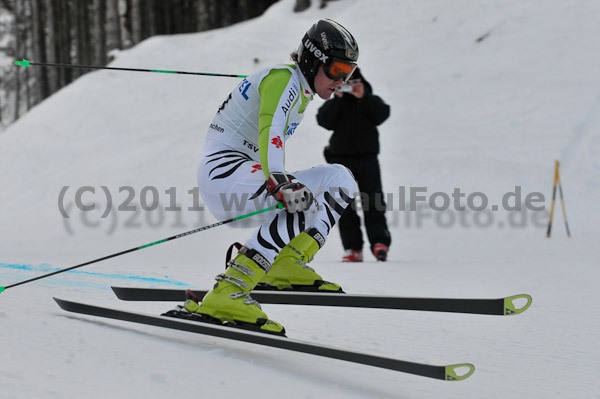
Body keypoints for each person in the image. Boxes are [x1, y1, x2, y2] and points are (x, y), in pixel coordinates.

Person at [181, 19, 360, 335]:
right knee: (301, 197)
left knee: (340, 178)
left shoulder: (296, 88)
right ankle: (229, 290)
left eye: (349, 74)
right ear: (312, 59)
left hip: (242, 173)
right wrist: (279, 181)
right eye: (336, 71)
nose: (341, 80)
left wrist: (280, 181)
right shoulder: (283, 80)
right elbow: (271, 131)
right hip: (225, 172)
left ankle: (285, 263)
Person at [316, 67, 391, 262]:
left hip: (368, 158)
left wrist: (363, 96)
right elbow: (323, 120)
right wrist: (338, 99)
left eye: (351, 82)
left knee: (373, 201)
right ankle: (352, 248)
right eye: (344, 82)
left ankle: (379, 243)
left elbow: (382, 114)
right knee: (344, 206)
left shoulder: (369, 100)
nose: (348, 87)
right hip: (341, 160)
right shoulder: (337, 103)